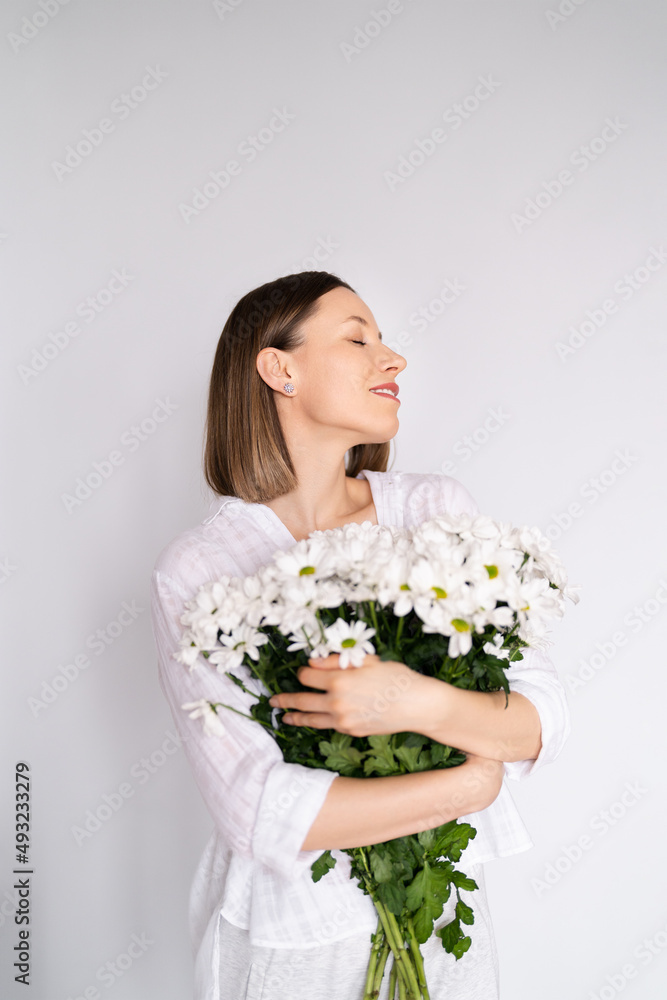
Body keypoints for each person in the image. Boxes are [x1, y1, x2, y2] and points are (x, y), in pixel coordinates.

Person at [150, 270, 570, 1000]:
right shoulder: (202, 568)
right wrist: (468, 783)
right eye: (358, 338)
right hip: (291, 940)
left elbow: (536, 719)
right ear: (278, 368)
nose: (393, 358)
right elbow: (258, 811)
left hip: (437, 933)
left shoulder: (430, 512)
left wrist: (410, 704)